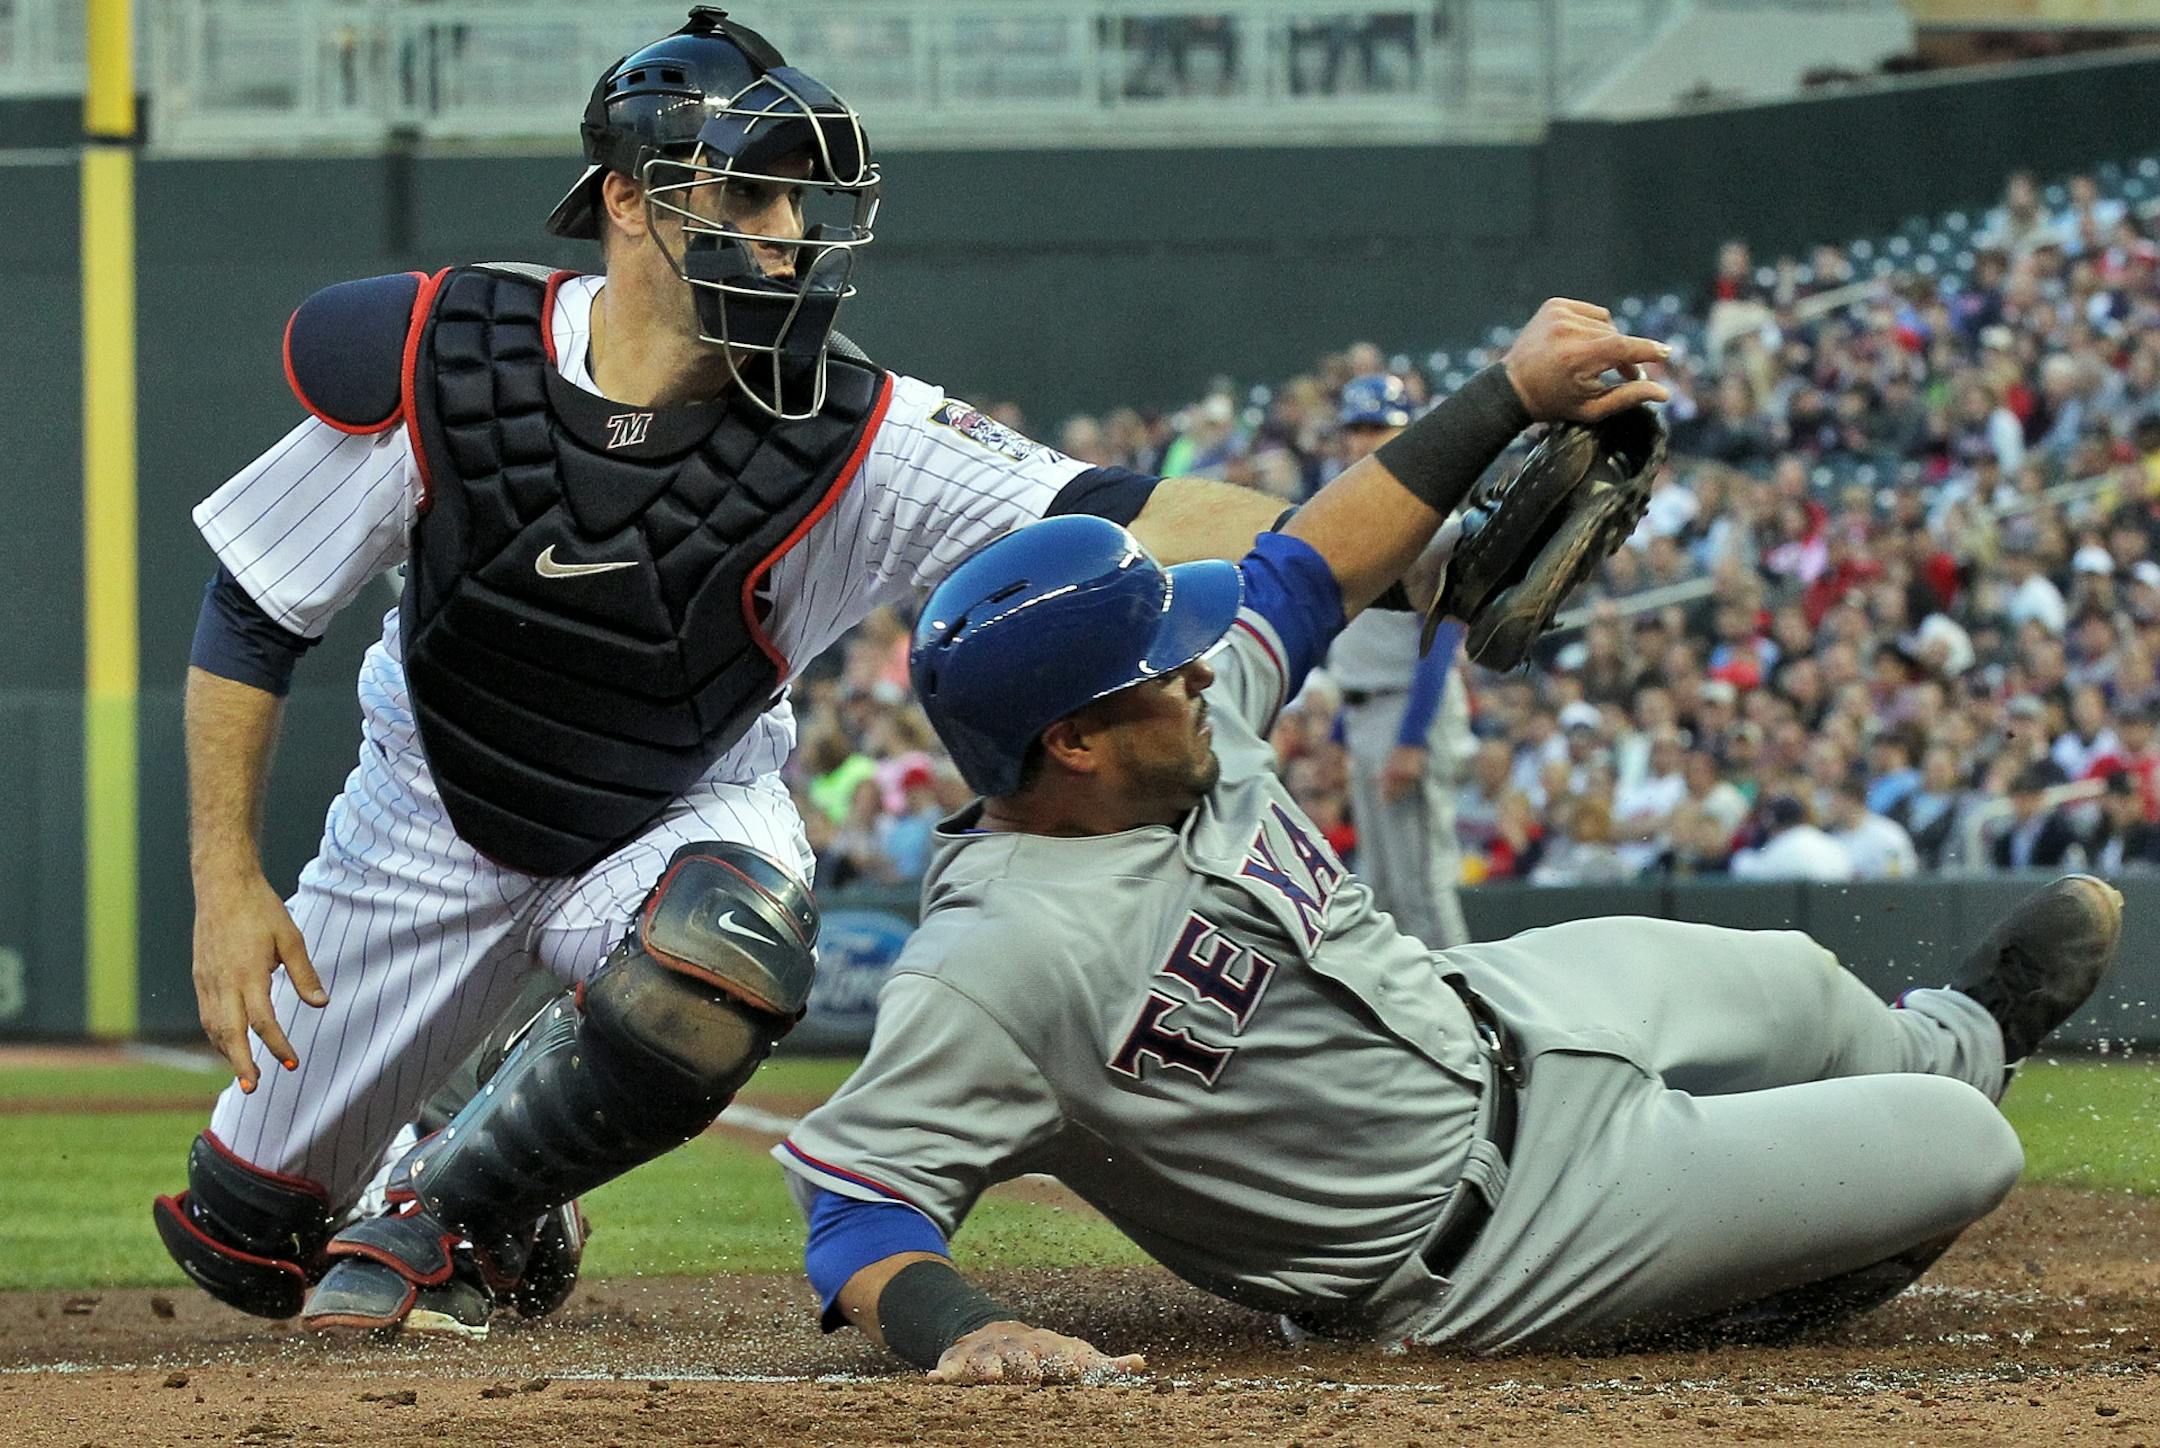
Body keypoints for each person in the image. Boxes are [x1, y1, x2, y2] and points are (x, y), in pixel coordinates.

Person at [152, 8, 1297, 1338]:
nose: (791, 229)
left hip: (679, 808)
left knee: (722, 948)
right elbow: (254, 611)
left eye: (800, 198)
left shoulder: (858, 425)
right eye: (747, 190)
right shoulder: (450, 359)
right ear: (630, 203)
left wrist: (1421, 538)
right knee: (246, 1246)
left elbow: (1136, 507)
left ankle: (457, 1208)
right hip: (427, 821)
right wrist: (228, 885)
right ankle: (499, 1157)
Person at [774, 312, 2118, 1379]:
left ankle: (1961, 1036)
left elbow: (1309, 568)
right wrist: (961, 1331)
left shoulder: (1180, 724)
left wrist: (1511, 393)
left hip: (1492, 1013)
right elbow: (860, 1208)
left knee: (1803, 987)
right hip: (1495, 1242)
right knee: (1961, 1150)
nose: (1197, 671)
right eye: (1161, 667)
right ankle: (1749, 1273)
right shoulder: (995, 958)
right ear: (1071, 741)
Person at [1321, 374, 1475, 947]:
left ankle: (1472, 1019)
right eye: (1357, 429)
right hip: (1366, 710)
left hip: (1409, 709)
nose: (1364, 441)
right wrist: (1340, 732)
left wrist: (1412, 738)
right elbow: (1355, 640)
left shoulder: (1426, 513)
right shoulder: (1346, 510)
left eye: (1378, 427)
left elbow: (1438, 638)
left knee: (1420, 888)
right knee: (1380, 890)